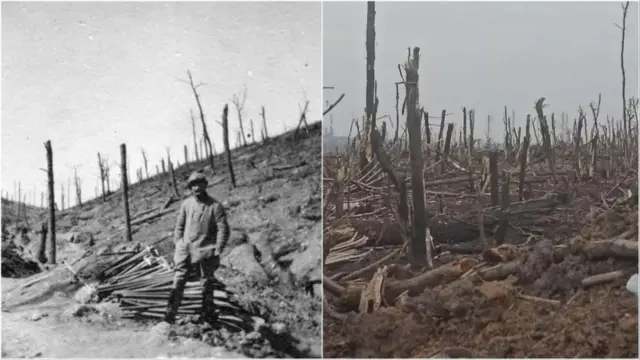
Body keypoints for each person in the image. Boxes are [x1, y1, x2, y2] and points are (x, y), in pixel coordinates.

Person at [164, 171, 230, 324]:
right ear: (190, 188)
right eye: (193, 185)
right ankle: (170, 315)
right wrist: (178, 243)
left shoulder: (215, 206)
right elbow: (179, 225)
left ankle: (207, 315)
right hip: (185, 250)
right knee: (178, 281)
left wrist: (217, 249)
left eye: (200, 183)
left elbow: (223, 229)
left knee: (206, 283)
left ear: (205, 185)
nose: (197, 187)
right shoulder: (186, 204)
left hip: (205, 251)